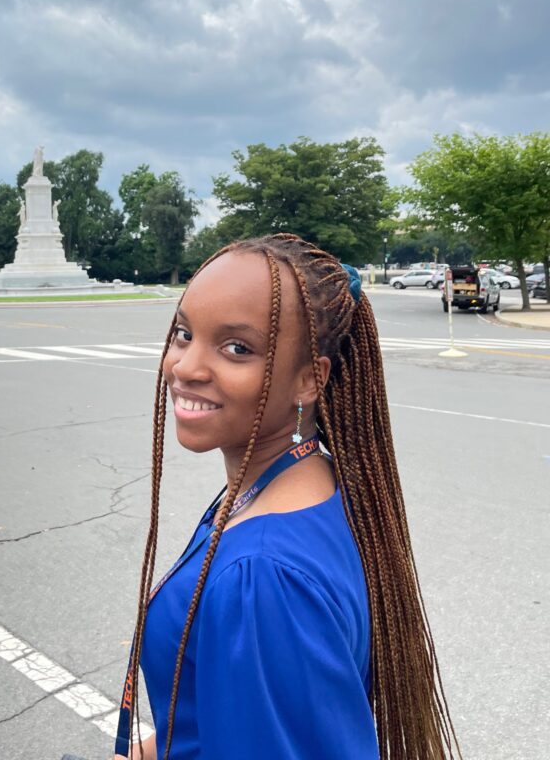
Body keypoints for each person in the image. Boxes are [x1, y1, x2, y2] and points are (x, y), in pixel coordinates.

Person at [113, 234, 460, 760]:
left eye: (237, 348)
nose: (185, 367)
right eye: (184, 334)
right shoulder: (312, 482)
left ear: (308, 380)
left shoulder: (263, 577)